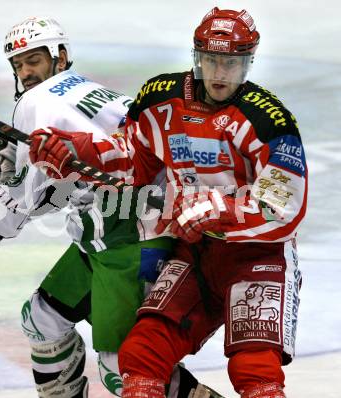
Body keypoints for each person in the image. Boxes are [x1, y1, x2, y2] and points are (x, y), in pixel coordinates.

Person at [0, 16, 221, 398]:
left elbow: (27, 196)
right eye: (18, 65)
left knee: (124, 368)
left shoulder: (36, 102)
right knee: (43, 320)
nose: (26, 72)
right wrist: (15, 150)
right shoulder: (85, 91)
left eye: (34, 60)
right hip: (113, 229)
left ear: (60, 56)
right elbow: (60, 182)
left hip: (129, 238)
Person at [27, 8, 307, 398]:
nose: (220, 73)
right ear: (197, 57)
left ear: (248, 62)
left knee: (255, 370)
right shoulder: (161, 99)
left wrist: (219, 209)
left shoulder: (268, 120)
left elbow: (284, 207)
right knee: (141, 356)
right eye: (212, 60)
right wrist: (76, 151)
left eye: (232, 62)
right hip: (195, 252)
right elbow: (131, 160)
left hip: (258, 257)